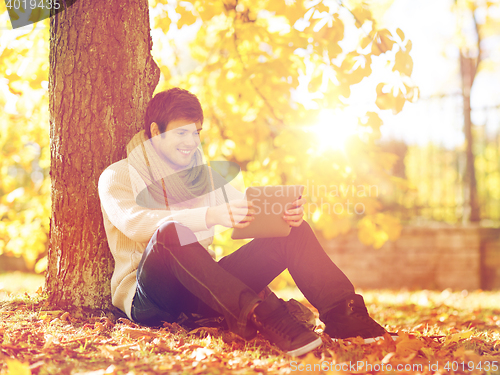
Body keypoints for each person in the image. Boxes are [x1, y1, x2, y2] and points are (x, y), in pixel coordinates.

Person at [98, 87, 390, 357]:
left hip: (206, 292)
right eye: (182, 134)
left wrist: (283, 215)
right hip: (151, 298)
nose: (191, 142)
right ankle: (261, 315)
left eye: (196, 133)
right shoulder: (118, 175)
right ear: (155, 132)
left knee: (292, 230)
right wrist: (210, 216)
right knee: (170, 233)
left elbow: (246, 209)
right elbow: (134, 222)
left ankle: (344, 316)